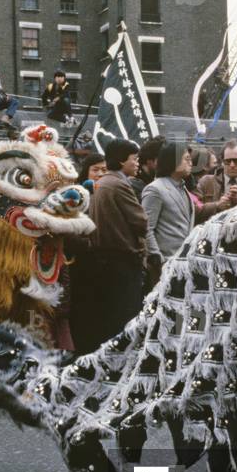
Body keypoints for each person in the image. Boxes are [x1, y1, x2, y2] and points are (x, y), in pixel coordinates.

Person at [72, 139, 148, 354]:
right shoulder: (119, 183)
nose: (137, 163)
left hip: (105, 259)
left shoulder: (102, 183)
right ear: (122, 160)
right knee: (125, 316)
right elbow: (141, 221)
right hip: (122, 259)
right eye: (134, 159)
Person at [142, 141, 195, 286]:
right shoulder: (155, 189)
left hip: (184, 265)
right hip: (164, 266)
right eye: (187, 159)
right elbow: (146, 228)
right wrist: (157, 259)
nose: (191, 163)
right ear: (173, 161)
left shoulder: (184, 189)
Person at [198, 142, 237, 207]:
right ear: (222, 162)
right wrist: (217, 205)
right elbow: (195, 210)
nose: (232, 165)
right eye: (228, 161)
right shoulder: (206, 183)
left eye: (236, 161)